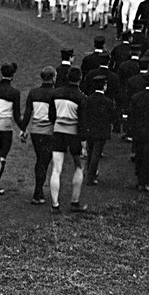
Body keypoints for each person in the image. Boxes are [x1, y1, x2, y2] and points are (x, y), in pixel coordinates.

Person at [50, 69, 88, 213]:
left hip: (58, 132)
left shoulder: (55, 93)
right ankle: (74, 202)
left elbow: (51, 116)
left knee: (56, 169)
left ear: (66, 77)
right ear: (80, 78)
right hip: (75, 135)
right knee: (79, 167)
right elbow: (82, 123)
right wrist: (83, 143)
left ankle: (55, 205)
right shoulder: (82, 97)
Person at [0, 64, 22, 195]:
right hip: (6, 128)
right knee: (2, 155)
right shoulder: (14, 93)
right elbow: (17, 115)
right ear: (13, 75)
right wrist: (23, 129)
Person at [24, 68, 57, 205]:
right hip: (49, 131)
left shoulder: (33, 92)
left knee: (40, 159)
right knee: (44, 161)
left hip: (35, 132)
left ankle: (39, 192)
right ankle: (37, 193)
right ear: (53, 77)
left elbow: (27, 113)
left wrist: (23, 129)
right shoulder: (55, 93)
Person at [81, 75, 117, 186]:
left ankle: (88, 172)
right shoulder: (108, 102)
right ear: (104, 86)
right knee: (96, 153)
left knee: (91, 151)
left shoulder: (88, 100)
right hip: (101, 131)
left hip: (90, 129)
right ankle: (90, 176)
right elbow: (113, 117)